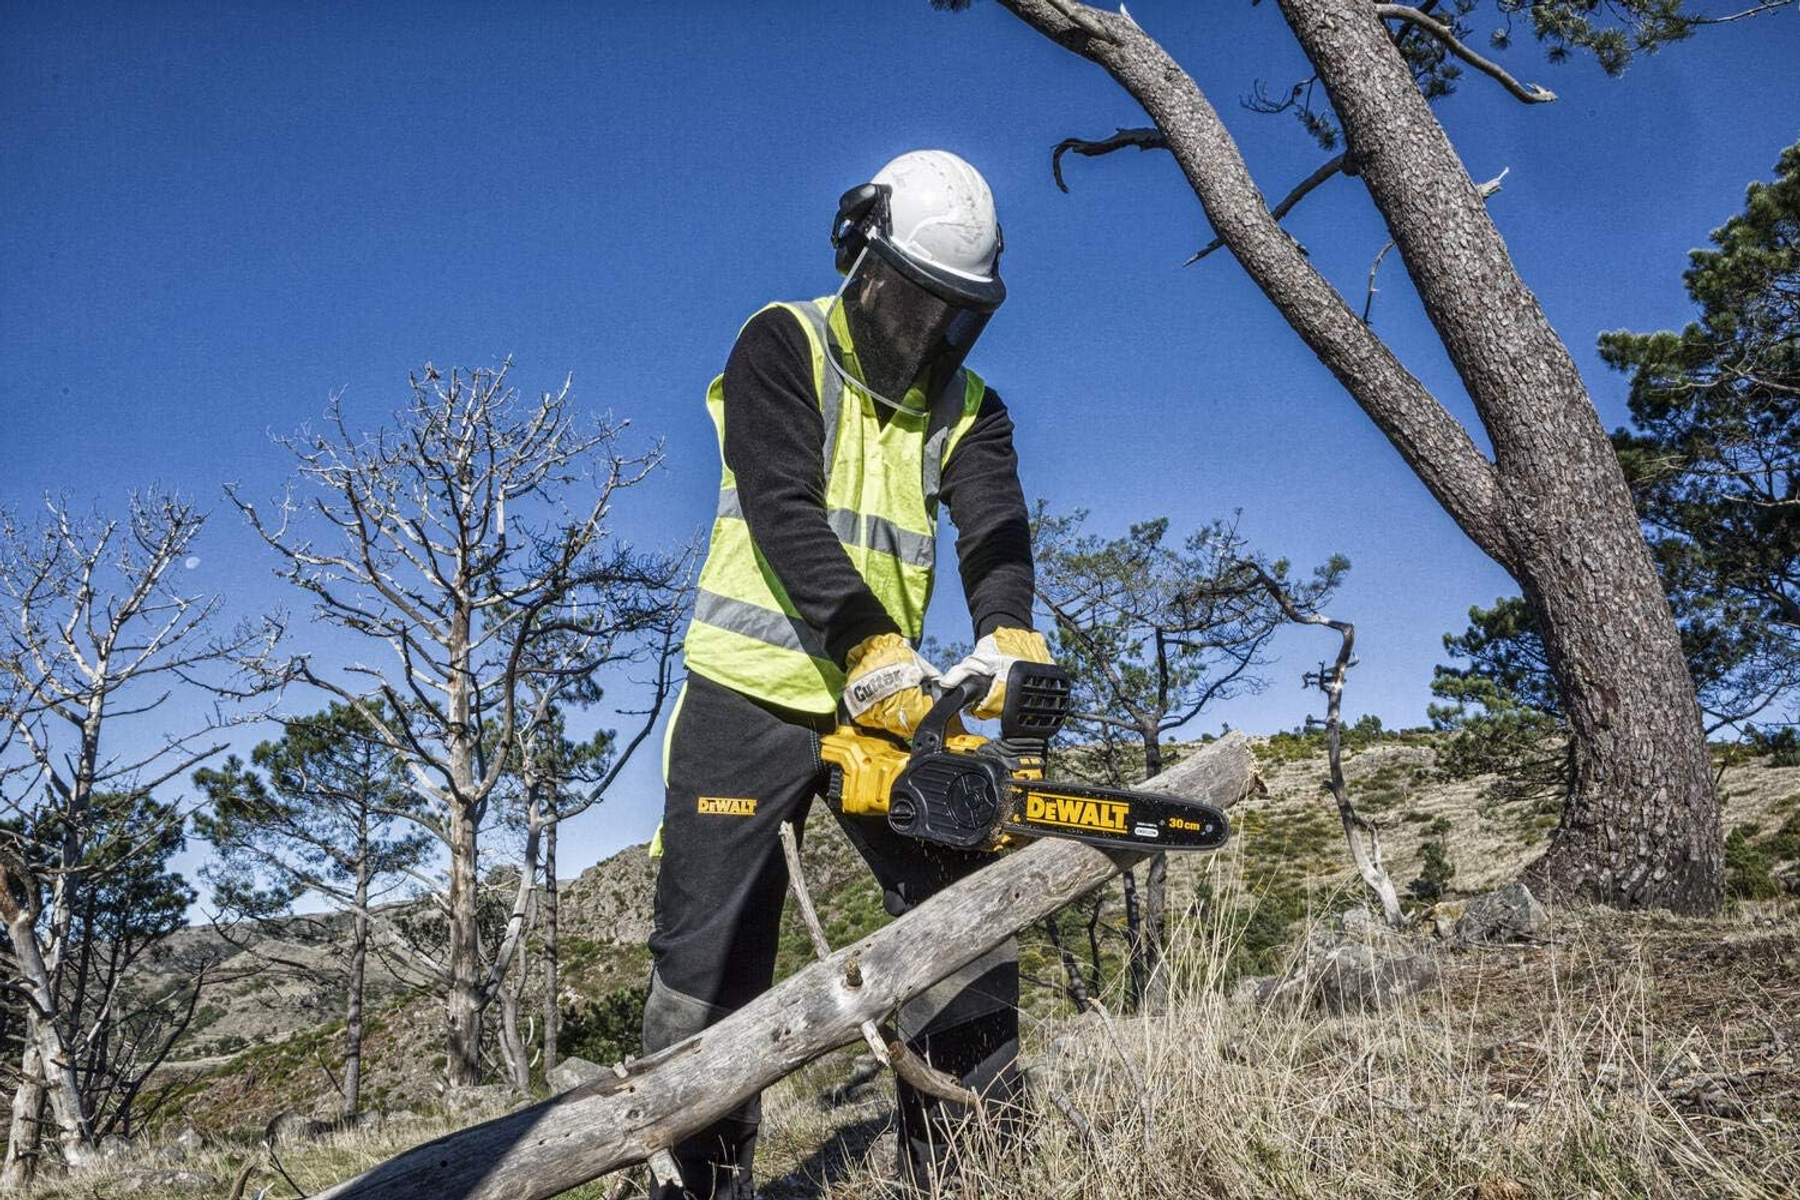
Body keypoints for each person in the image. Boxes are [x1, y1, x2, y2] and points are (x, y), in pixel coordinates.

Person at [642, 148, 1055, 1199]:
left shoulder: (971, 405)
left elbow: (997, 527)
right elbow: (781, 505)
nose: (924, 327)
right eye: (910, 298)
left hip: (892, 708)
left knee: (962, 928)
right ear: (861, 261)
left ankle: (968, 1171)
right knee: (710, 965)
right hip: (751, 694)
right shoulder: (782, 342)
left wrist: (1008, 630)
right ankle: (696, 1181)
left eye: (949, 309)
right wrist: (867, 645)